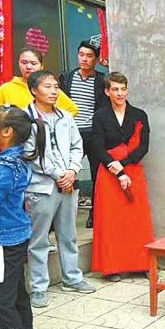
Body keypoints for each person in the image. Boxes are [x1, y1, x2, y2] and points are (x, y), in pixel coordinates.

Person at [24, 71, 96, 308]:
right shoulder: (26, 119)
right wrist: (59, 175)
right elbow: (31, 154)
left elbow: (77, 146)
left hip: (68, 184)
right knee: (39, 239)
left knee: (68, 234)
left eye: (56, 86)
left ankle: (72, 278)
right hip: (41, 187)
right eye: (48, 87)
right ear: (34, 90)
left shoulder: (65, 116)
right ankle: (38, 288)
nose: (54, 91)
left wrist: (72, 171)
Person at [0, 106, 46, 329]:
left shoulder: (4, 168)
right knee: (15, 294)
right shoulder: (17, 160)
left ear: (7, 132)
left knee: (0, 304)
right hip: (14, 237)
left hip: (2, 242)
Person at [91, 72, 154, 282]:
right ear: (107, 92)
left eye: (123, 89)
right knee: (111, 221)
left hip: (133, 170)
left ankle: (140, 264)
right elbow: (97, 147)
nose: (119, 93)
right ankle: (112, 267)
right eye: (115, 89)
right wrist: (115, 168)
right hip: (108, 172)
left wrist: (124, 165)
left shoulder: (139, 114)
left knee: (137, 219)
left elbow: (144, 146)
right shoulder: (100, 116)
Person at [59, 40, 108, 229]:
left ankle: (95, 213)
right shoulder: (66, 78)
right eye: (81, 55)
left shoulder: (102, 80)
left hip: (92, 132)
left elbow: (103, 109)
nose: (84, 59)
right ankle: (61, 216)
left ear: (96, 59)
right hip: (70, 131)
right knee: (65, 171)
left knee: (96, 173)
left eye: (89, 56)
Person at [0, 48, 78, 116]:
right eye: (24, 63)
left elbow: (72, 109)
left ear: (41, 66)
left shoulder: (51, 88)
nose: (28, 67)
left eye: (33, 63)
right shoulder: (6, 89)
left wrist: (55, 124)